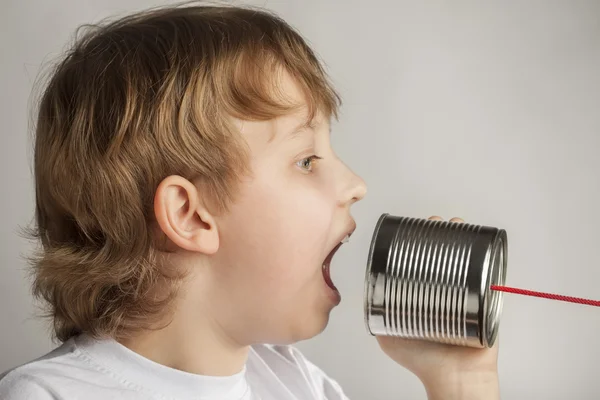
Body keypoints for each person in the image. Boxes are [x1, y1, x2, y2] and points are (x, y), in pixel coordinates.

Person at [0, 3, 500, 399]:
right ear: (189, 215)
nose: (355, 184)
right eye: (307, 160)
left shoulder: (297, 385)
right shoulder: (47, 395)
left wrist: (461, 385)